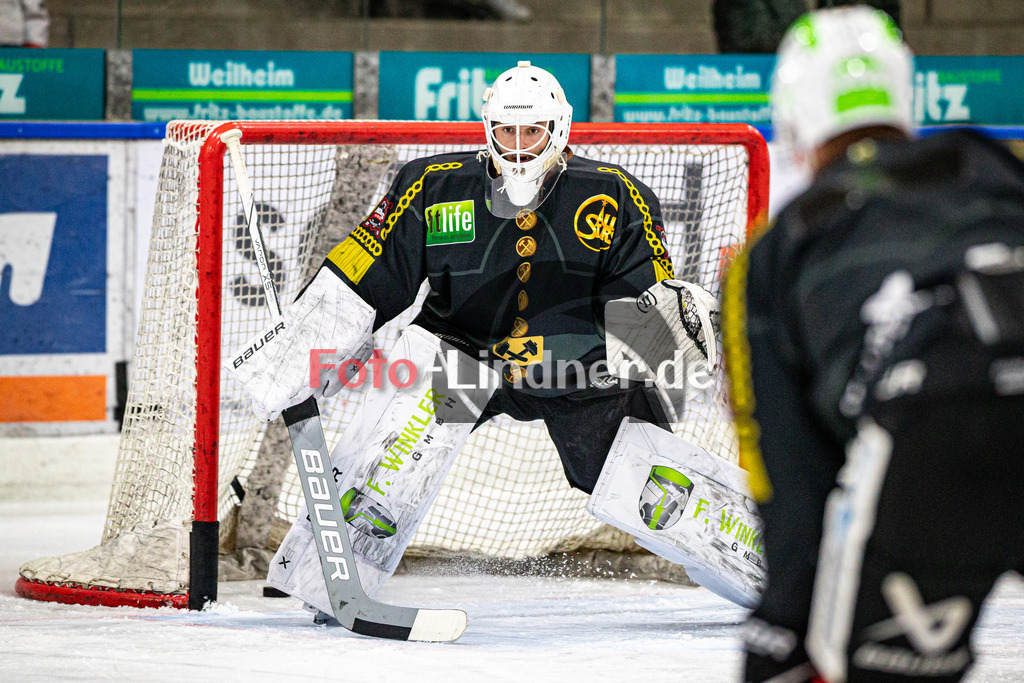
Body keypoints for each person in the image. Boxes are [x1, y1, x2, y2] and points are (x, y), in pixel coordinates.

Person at [230, 60, 761, 618]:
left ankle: (772, 571)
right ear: (487, 128)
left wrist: (668, 333)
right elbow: (366, 272)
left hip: (578, 371)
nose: (519, 145)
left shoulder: (617, 195)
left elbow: (641, 310)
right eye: (507, 131)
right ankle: (329, 581)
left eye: (532, 131)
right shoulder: (434, 187)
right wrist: (299, 350)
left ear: (559, 128)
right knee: (397, 447)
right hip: (460, 354)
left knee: (656, 490)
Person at [723, 6, 1024, 682]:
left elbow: (788, 478)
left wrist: (784, 627)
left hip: (931, 421)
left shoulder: (776, 250)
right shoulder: (991, 163)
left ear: (795, 111)